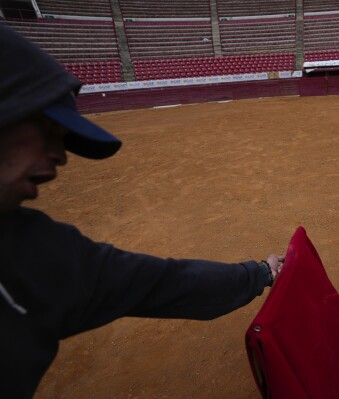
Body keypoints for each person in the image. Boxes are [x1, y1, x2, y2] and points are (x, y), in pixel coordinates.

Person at [0, 25, 285, 398]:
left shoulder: (35, 253)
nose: (60, 157)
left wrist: (260, 272)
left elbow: (165, 283)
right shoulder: (31, 254)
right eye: (45, 129)